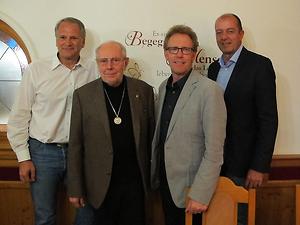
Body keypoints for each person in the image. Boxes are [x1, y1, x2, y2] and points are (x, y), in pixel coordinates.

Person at [7, 17, 97, 225]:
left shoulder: (95, 71)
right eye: (63, 37)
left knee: (89, 211)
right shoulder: (36, 70)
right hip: (43, 153)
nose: (68, 42)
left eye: (74, 37)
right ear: (56, 40)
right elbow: (20, 115)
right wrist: (23, 158)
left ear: (83, 42)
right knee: (45, 216)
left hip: (81, 153)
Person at [67, 41, 155, 225]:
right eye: (103, 61)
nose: (109, 66)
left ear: (125, 62)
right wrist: (75, 187)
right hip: (99, 185)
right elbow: (76, 145)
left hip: (135, 183)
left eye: (115, 60)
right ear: (97, 63)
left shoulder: (144, 91)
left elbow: (151, 139)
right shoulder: (83, 95)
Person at [151, 25, 227, 225]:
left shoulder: (209, 91)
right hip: (167, 185)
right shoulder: (163, 87)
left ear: (194, 54)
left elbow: (215, 149)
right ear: (166, 53)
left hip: (193, 190)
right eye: (174, 49)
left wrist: (201, 193)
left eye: (186, 49)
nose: (179, 55)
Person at [208, 13, 278, 225]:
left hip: (244, 166)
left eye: (230, 31)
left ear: (241, 34)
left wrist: (260, 165)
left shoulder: (260, 66)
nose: (224, 37)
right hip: (214, 165)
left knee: (239, 220)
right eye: (219, 32)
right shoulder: (212, 69)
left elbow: (268, 120)